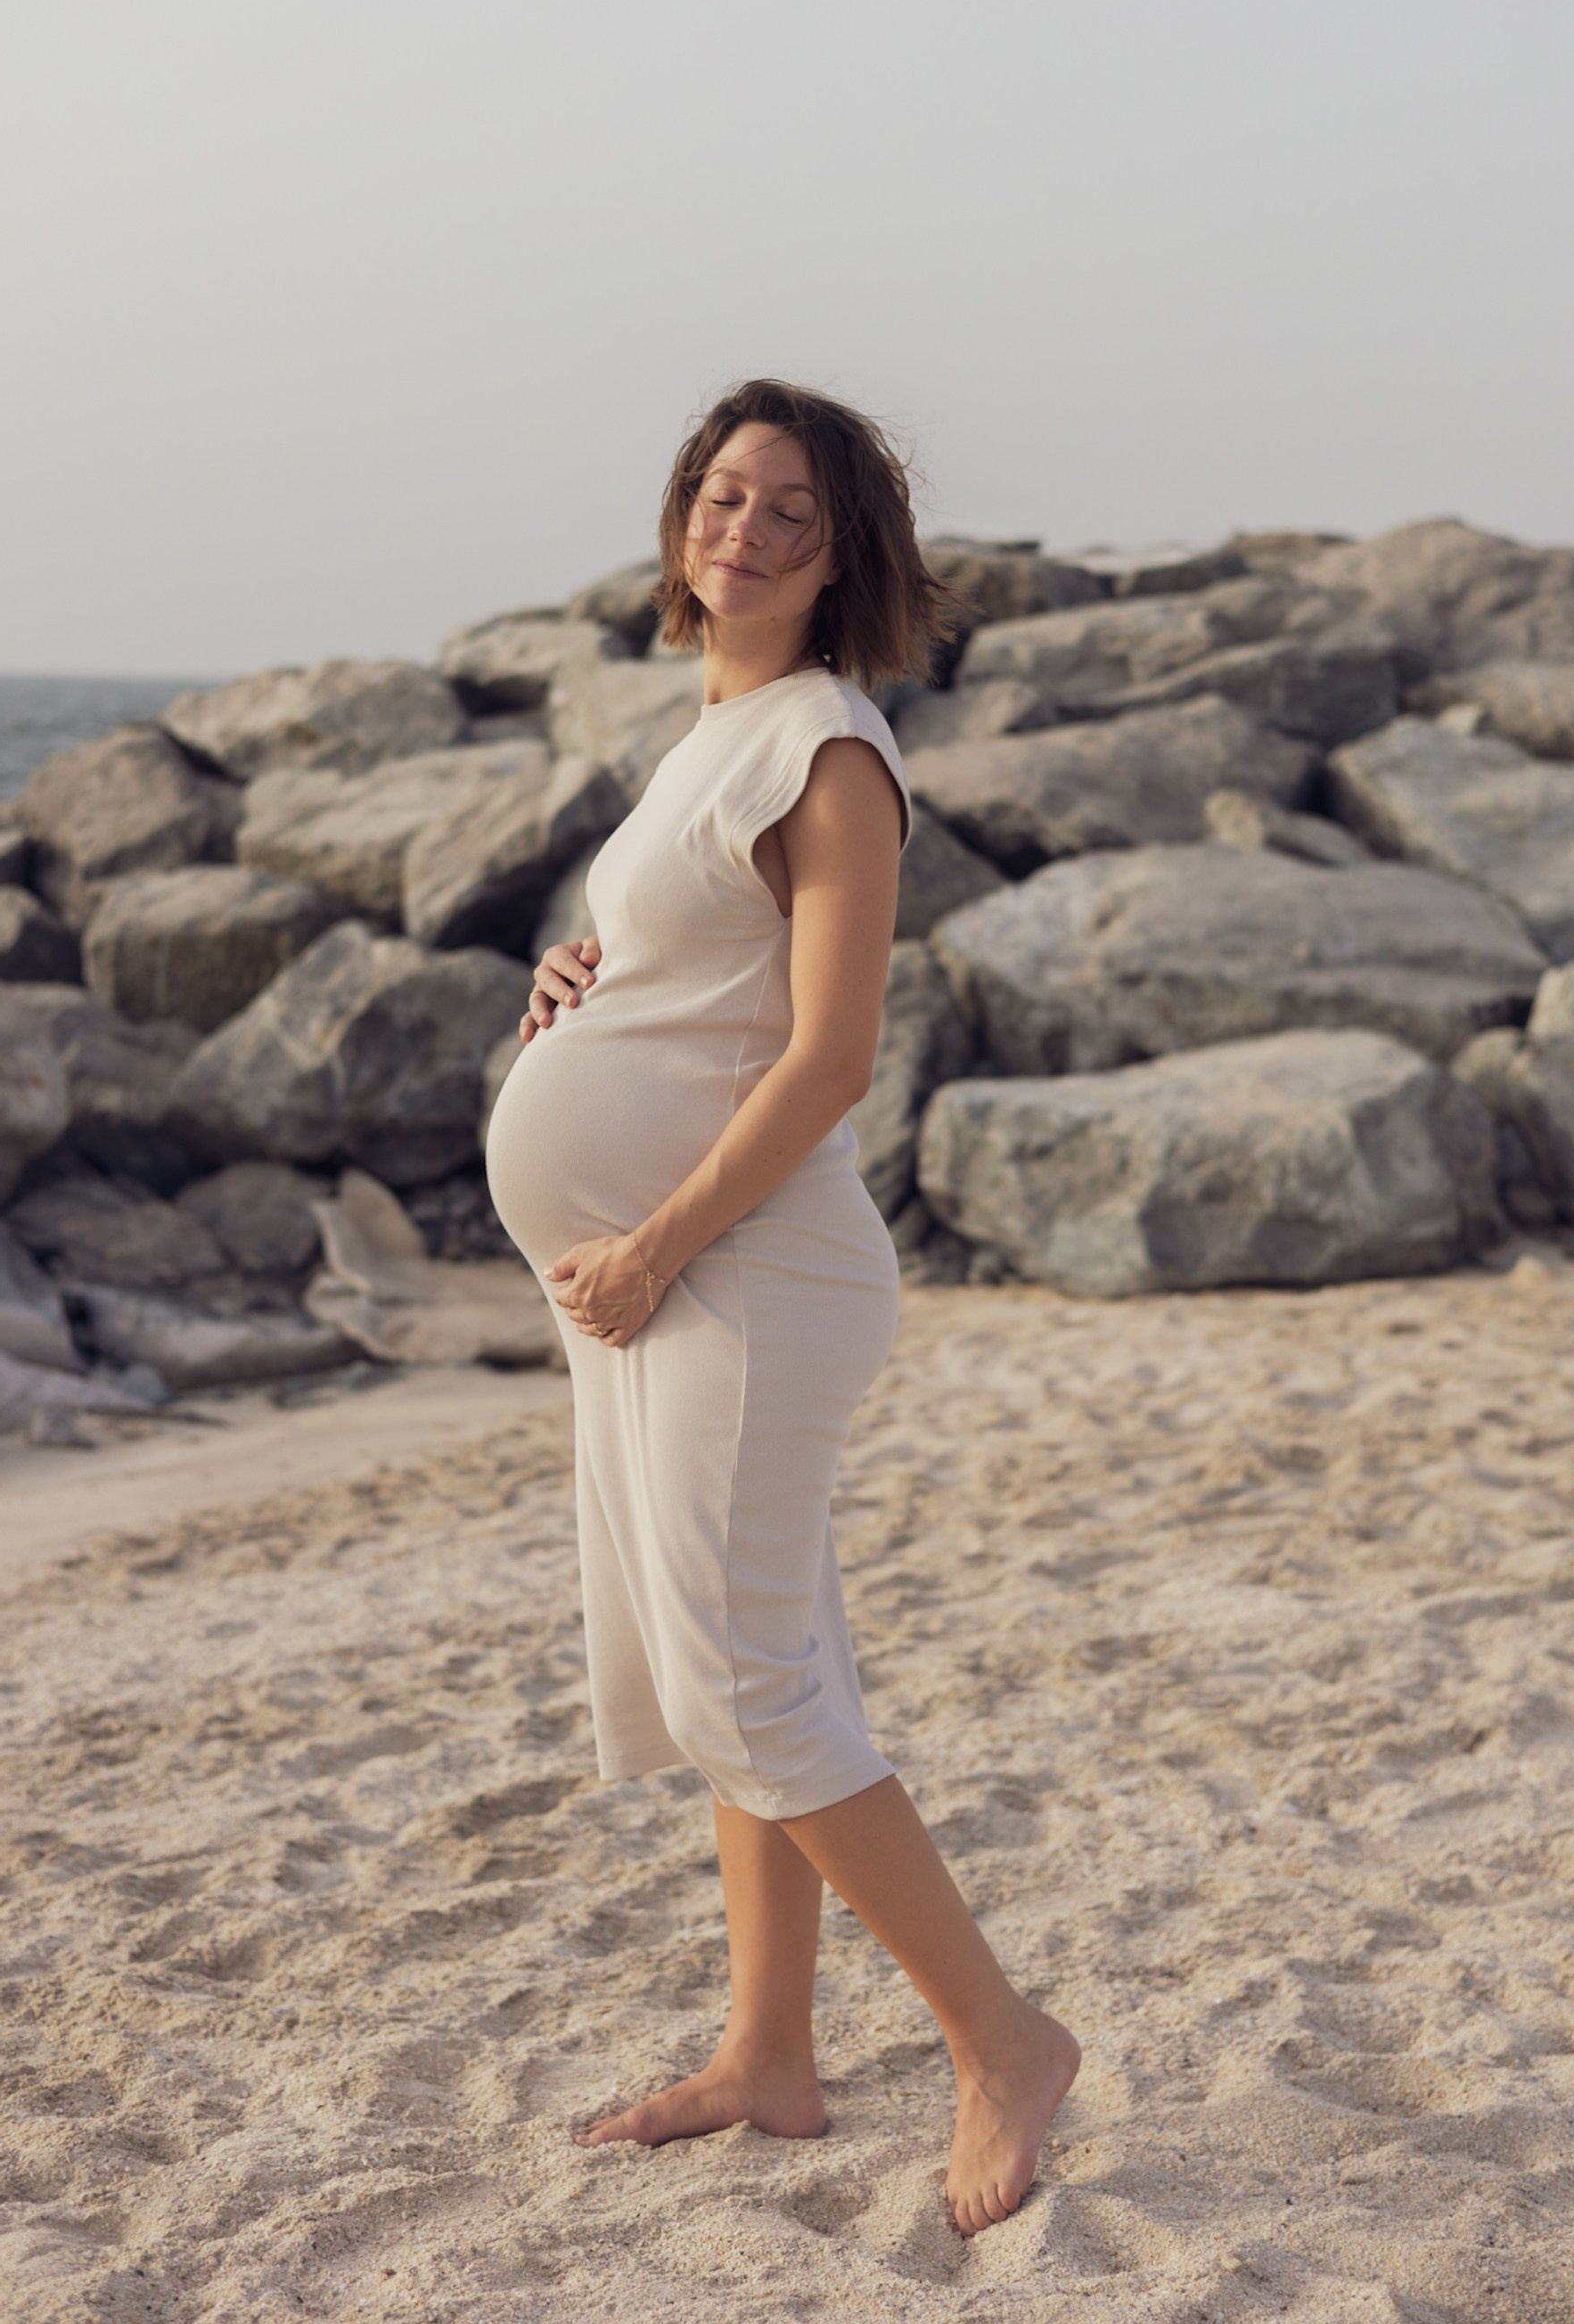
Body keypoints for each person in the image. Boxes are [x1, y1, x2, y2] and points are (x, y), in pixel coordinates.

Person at [486, 379, 1079, 2235]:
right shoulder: (718, 728)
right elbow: (713, 980)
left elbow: (828, 1061)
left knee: (753, 1678)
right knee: (733, 1669)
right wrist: (586, 978)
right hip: (669, 1279)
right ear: (683, 517)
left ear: (846, 562)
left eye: (789, 515)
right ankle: (769, 2054)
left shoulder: (831, 748)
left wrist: (652, 1238)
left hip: (742, 1273)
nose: (740, 530)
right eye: (721, 496)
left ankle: (1004, 2042)